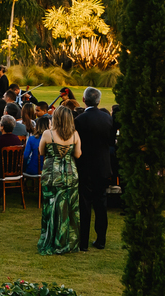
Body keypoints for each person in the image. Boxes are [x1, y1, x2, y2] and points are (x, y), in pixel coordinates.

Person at [74, 87, 114, 251]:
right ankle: (101, 239)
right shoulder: (107, 118)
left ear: (84, 100)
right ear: (98, 101)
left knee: (84, 204)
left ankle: (83, 242)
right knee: (101, 203)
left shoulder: (80, 120)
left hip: (85, 166)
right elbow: (110, 141)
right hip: (103, 165)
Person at [38, 105, 81, 255]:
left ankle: (52, 239)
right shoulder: (75, 134)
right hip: (70, 174)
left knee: (51, 207)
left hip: (51, 174)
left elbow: (41, 151)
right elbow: (78, 154)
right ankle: (67, 241)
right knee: (69, 208)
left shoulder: (47, 134)